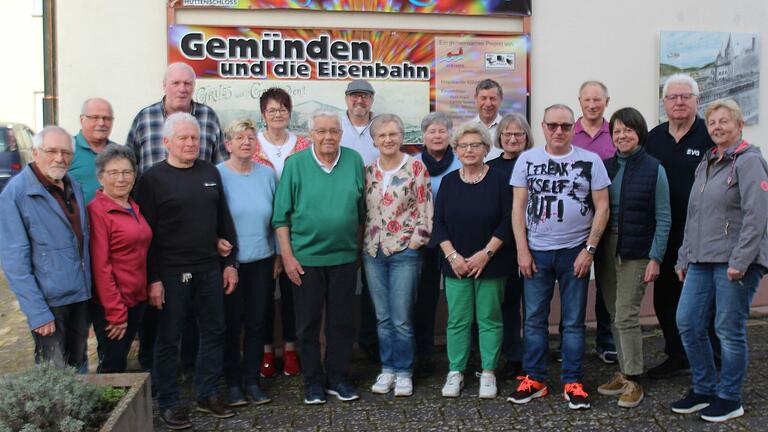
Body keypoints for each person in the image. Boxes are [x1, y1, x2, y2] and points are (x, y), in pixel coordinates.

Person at [135, 113, 239, 429]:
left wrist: (230, 262)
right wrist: (153, 279)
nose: (191, 143)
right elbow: (145, 235)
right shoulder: (152, 180)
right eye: (183, 138)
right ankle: (168, 401)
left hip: (209, 269)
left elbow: (224, 219)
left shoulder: (209, 172)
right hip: (170, 274)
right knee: (168, 339)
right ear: (167, 142)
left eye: (194, 137)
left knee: (214, 331)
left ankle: (206, 394)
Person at [671, 99, 768, 423]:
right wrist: (684, 256)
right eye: (712, 123)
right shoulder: (707, 162)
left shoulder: (749, 161)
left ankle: (729, 397)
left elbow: (757, 216)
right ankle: (704, 388)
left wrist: (741, 260)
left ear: (739, 125)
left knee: (728, 329)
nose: (717, 127)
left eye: (724, 121)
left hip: (734, 262)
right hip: (700, 259)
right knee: (687, 321)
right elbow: (694, 215)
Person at [508, 104, 610, 410]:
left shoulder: (591, 161)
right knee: (535, 320)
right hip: (536, 252)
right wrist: (522, 250)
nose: (558, 131)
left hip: (574, 252)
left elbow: (602, 206)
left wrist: (589, 250)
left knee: (573, 322)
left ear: (573, 128)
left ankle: (572, 381)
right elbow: (517, 208)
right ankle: (535, 379)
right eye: (552, 125)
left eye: (565, 126)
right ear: (542, 126)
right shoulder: (527, 160)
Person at [127, 62, 225, 374]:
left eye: (188, 83)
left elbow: (220, 184)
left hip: (205, 255)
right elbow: (129, 162)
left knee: (207, 330)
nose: (182, 88)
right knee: (164, 332)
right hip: (165, 251)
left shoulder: (208, 121)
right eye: (176, 83)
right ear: (165, 84)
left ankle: (201, 386)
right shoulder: (145, 121)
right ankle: (160, 389)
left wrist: (228, 256)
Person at [272, 109, 365, 405]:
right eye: (321, 131)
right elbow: (280, 217)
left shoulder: (353, 161)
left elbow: (362, 212)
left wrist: (357, 251)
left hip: (344, 259)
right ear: (310, 134)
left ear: (341, 134)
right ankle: (313, 382)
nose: (328, 137)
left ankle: (338, 378)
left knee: (341, 323)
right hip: (306, 261)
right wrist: (287, 257)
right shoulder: (295, 164)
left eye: (333, 131)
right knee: (308, 325)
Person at [594, 108, 671, 408]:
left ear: (639, 133)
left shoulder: (654, 169)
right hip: (606, 246)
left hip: (637, 250)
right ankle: (624, 371)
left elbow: (663, 217)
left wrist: (656, 257)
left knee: (626, 313)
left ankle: (635, 380)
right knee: (614, 312)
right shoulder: (605, 166)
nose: (622, 135)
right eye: (616, 131)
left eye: (628, 130)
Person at [432, 122, 513, 399]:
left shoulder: (500, 179)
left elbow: (507, 221)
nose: (469, 150)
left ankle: (488, 373)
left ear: (486, 149)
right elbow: (438, 222)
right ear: (456, 150)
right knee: (457, 320)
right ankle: (456, 371)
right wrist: (452, 255)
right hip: (455, 264)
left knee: (489, 318)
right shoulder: (449, 181)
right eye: (463, 146)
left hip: (492, 262)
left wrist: (486, 254)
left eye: (475, 145)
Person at [0, 126, 91, 369]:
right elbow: (14, 263)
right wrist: (37, 312)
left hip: (79, 295)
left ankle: (79, 408)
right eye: (51, 151)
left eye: (66, 152)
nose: (59, 158)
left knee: (79, 363)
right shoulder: (16, 194)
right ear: (35, 153)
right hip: (50, 302)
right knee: (54, 373)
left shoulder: (73, 187)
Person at [645, 73, 717, 379]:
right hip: (665, 233)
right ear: (664, 102)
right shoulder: (653, 137)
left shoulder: (709, 136)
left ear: (697, 101)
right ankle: (677, 354)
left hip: (702, 235)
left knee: (705, 302)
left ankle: (714, 359)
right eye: (673, 97)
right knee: (664, 299)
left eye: (685, 97)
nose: (679, 102)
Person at [364, 114, 433, 397]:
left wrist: (416, 242)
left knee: (401, 318)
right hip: (373, 251)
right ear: (375, 140)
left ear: (402, 137)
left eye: (393, 134)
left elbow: (425, 207)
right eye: (382, 136)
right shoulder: (369, 171)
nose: (388, 140)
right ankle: (388, 368)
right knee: (382, 317)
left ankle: (404, 371)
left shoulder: (416, 167)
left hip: (405, 250)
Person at [217, 118, 278, 406]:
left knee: (257, 323)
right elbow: (210, 218)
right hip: (229, 265)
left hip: (262, 262)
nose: (245, 142)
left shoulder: (267, 175)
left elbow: (278, 218)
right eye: (239, 137)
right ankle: (232, 383)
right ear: (228, 144)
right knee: (231, 325)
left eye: (251, 137)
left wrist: (279, 253)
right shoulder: (216, 175)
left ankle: (252, 381)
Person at [252, 87, 309, 379]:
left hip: (295, 233)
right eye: (272, 110)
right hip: (259, 234)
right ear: (263, 114)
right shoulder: (252, 145)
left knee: (291, 295)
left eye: (283, 109)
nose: (278, 115)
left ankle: (289, 349)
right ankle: (265, 352)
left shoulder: (303, 145)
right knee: (261, 297)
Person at [88, 144, 152, 373]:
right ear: (100, 177)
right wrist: (115, 312)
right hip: (114, 305)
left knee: (123, 360)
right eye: (113, 173)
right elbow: (100, 266)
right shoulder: (97, 211)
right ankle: (112, 408)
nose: (121, 178)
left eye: (126, 172)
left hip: (136, 299)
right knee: (112, 367)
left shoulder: (132, 206)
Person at [412, 112, 461, 377]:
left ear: (450, 135)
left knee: (461, 299)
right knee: (425, 299)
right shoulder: (413, 164)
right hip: (426, 243)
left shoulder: (461, 162)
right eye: (432, 131)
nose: (437, 135)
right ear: (424, 136)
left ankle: (465, 355)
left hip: (458, 241)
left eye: (442, 131)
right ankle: (423, 354)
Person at [572, 80, 617, 364]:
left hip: (607, 220)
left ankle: (606, 341)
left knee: (606, 283)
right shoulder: (567, 132)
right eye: (587, 100)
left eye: (597, 100)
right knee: (571, 282)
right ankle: (569, 341)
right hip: (574, 223)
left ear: (606, 102)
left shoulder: (617, 132)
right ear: (579, 101)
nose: (592, 105)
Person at [487, 113, 534, 379]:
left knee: (533, 304)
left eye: (518, 134)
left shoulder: (536, 162)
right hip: (502, 246)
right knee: (507, 304)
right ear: (499, 137)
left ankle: (532, 357)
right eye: (507, 134)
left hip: (533, 244)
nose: (513, 139)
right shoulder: (491, 168)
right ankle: (512, 355)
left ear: (526, 137)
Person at [339, 79, 379, 362]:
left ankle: (370, 340)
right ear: (346, 100)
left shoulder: (381, 128)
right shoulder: (337, 129)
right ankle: (343, 342)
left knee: (372, 282)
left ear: (372, 101)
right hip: (344, 215)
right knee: (343, 281)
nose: (359, 102)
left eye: (364, 97)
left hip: (378, 216)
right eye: (354, 97)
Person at [68, 98, 117, 204]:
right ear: (82, 120)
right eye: (94, 117)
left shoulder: (119, 153)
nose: (101, 123)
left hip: (113, 219)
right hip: (79, 219)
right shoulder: (67, 150)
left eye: (107, 118)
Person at [472, 79, 505, 161]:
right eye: (483, 98)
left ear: (500, 99)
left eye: (492, 99)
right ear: (476, 98)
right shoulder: (467, 129)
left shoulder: (508, 129)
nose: (488, 104)